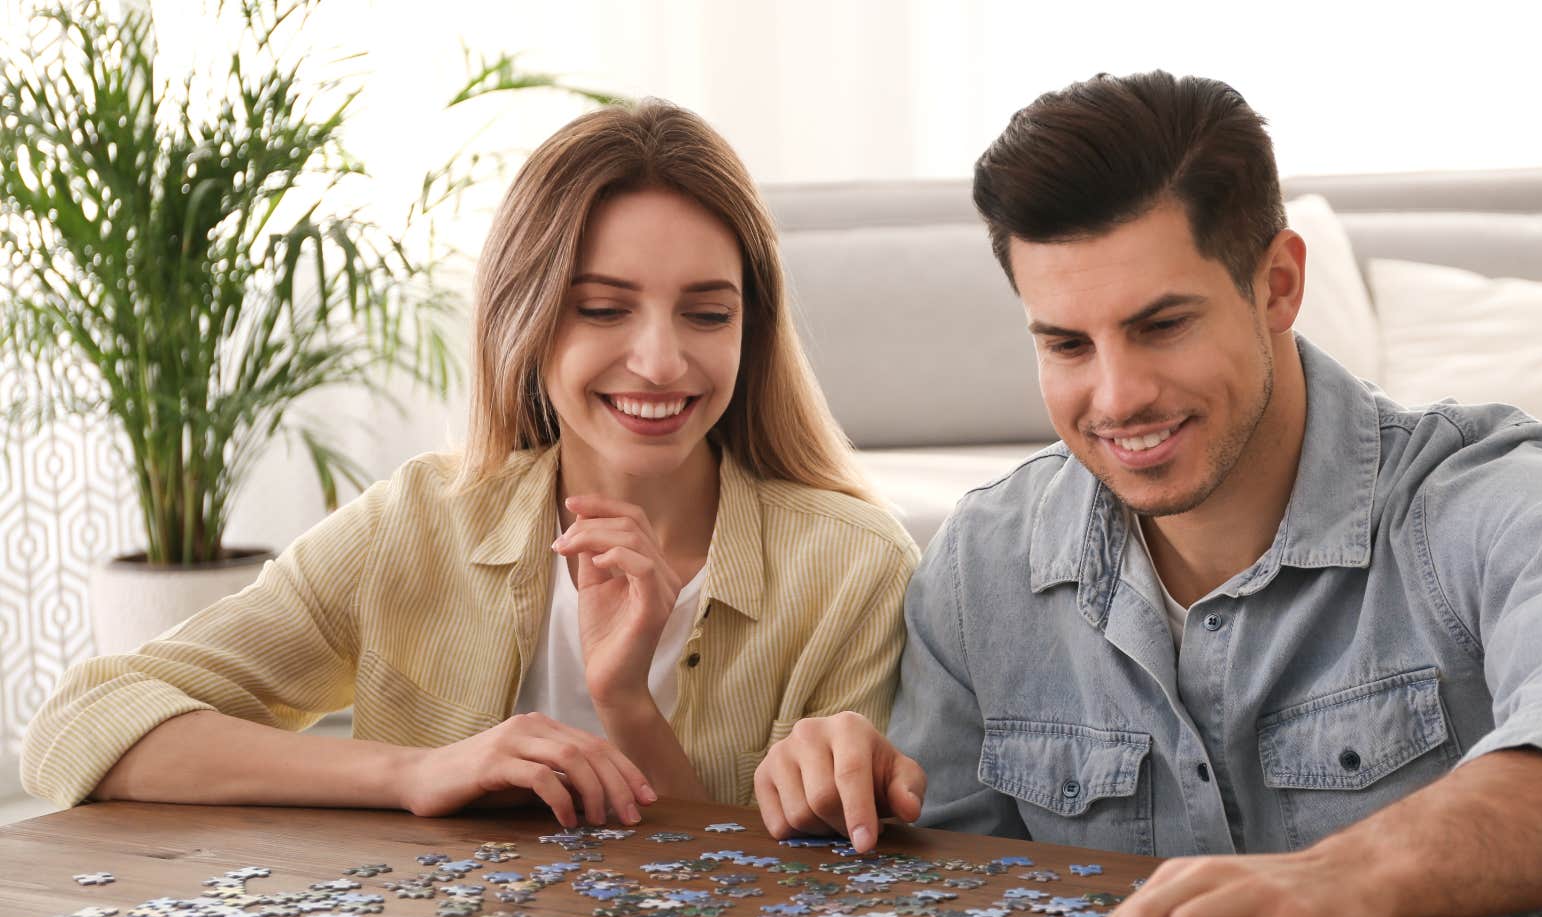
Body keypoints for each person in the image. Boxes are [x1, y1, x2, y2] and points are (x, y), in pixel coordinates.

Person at [751, 70, 1542, 917]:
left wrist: (1345, 879)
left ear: (1277, 283)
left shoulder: (1490, 497)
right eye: (1065, 342)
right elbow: (957, 915)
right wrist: (854, 804)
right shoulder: (982, 562)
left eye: (1161, 325)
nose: (1117, 394)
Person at [22, 101, 918, 830]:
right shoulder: (418, 520)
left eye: (707, 314)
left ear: (751, 331)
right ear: (523, 320)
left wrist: (626, 704)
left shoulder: (852, 567)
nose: (659, 361)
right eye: (603, 309)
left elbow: (800, 910)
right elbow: (81, 726)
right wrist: (417, 773)